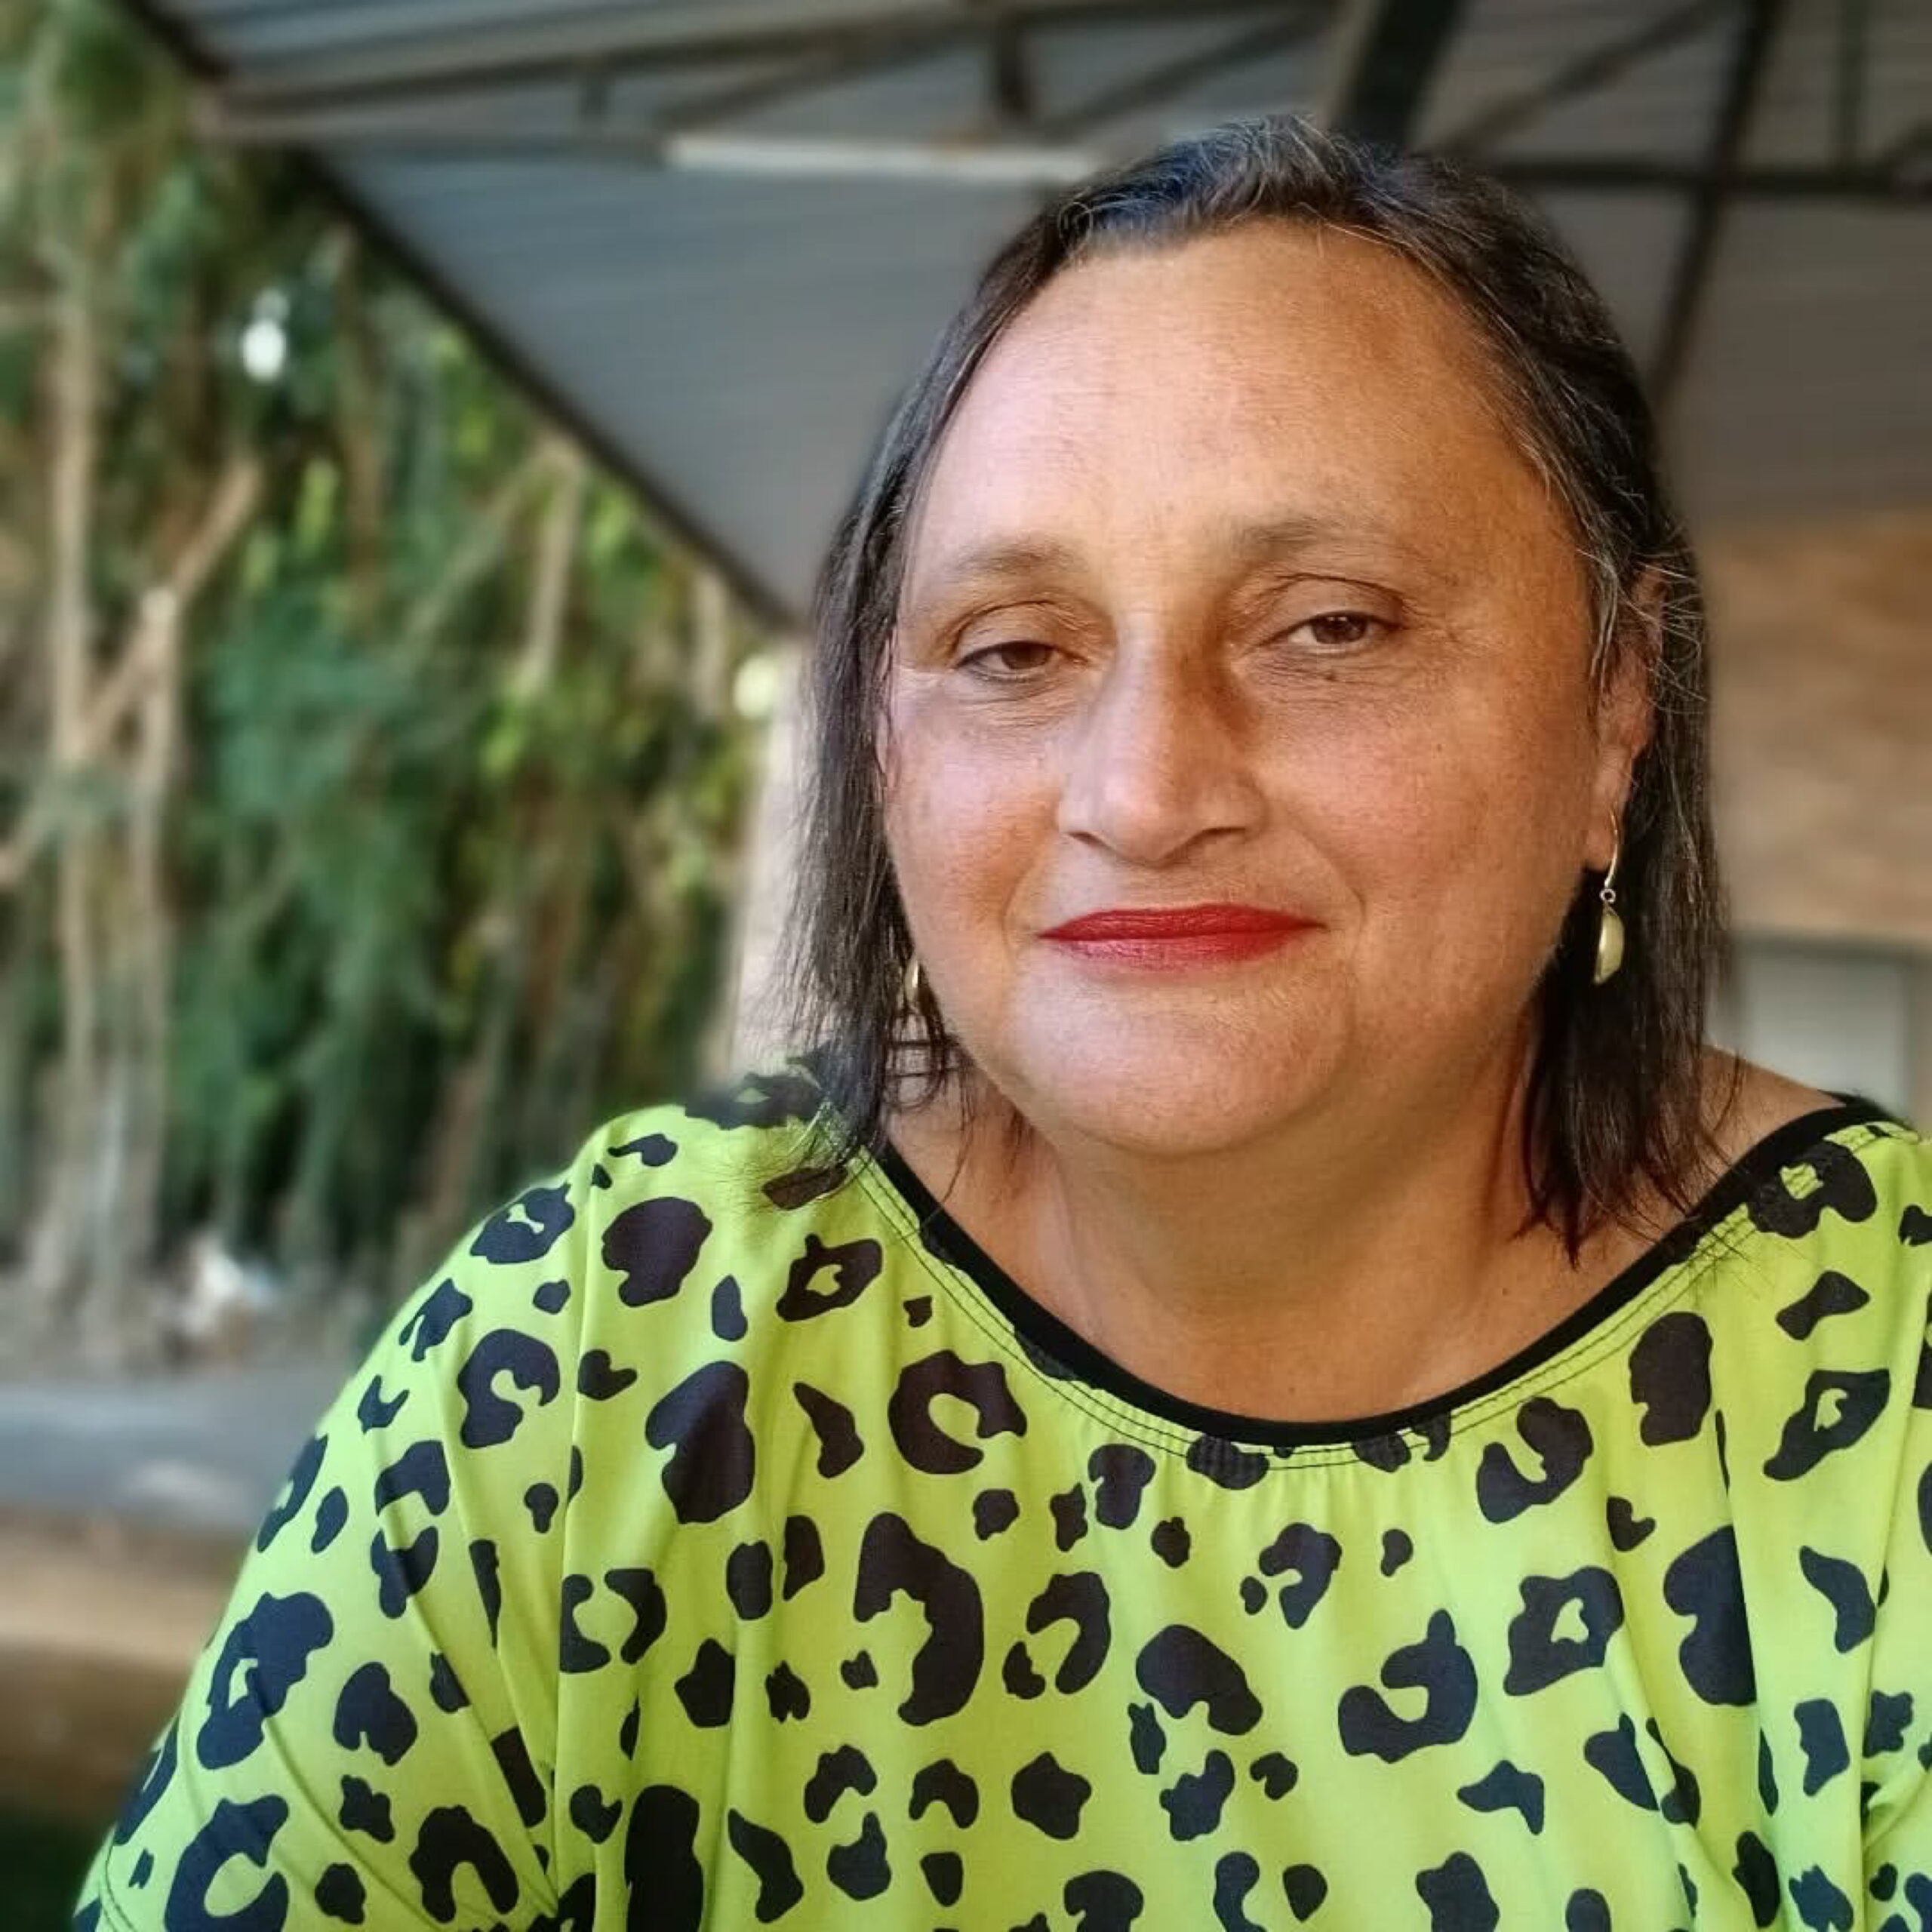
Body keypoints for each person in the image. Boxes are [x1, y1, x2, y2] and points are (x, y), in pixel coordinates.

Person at [77, 115, 1929, 1932]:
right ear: (886, 754)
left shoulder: (1886, 1388)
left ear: (1615, 706)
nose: (1140, 784)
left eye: (1329, 625)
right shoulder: (611, 1351)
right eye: (1015, 648)